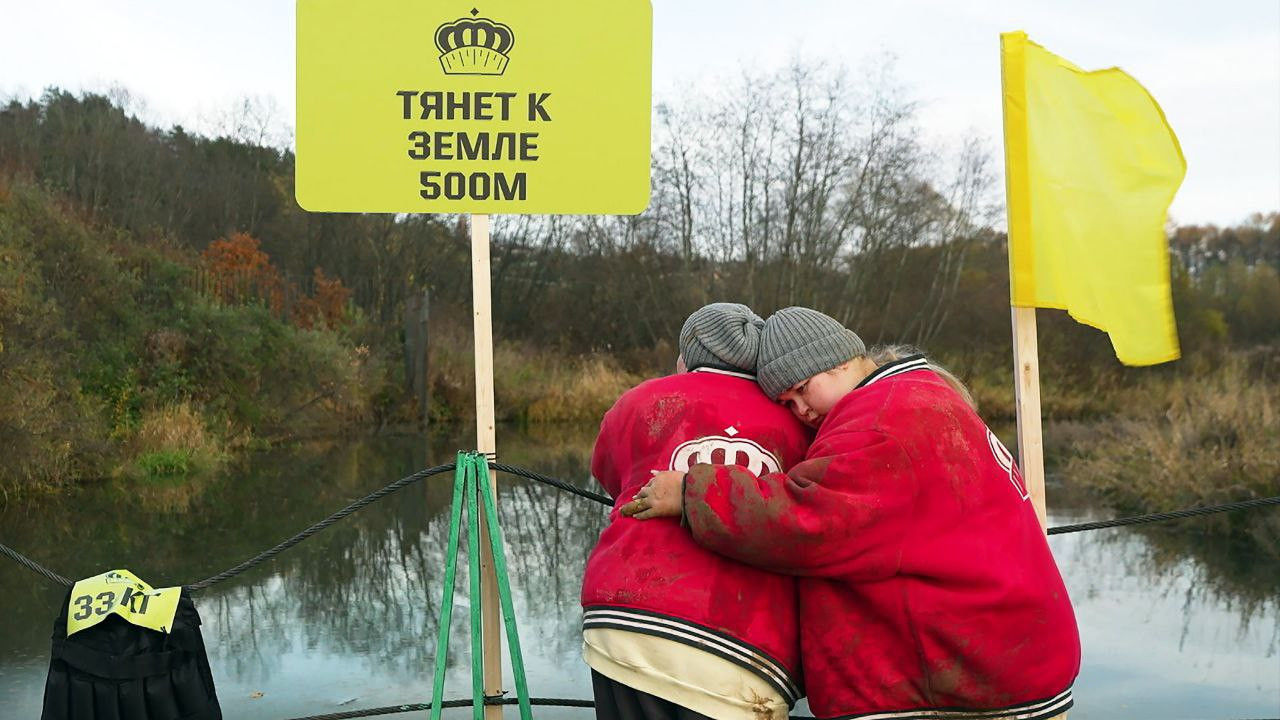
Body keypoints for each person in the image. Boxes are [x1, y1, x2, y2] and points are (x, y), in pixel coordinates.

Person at [625, 306, 1080, 720]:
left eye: (803, 389)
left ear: (839, 362)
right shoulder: (921, 396)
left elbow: (811, 520)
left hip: (966, 677)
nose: (802, 410)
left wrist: (692, 491)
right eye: (787, 404)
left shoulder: (883, 422)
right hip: (1002, 657)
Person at [581, 303, 813, 720]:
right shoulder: (799, 418)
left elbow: (610, 473)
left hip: (623, 620)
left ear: (688, 354)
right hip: (746, 648)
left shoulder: (640, 400)